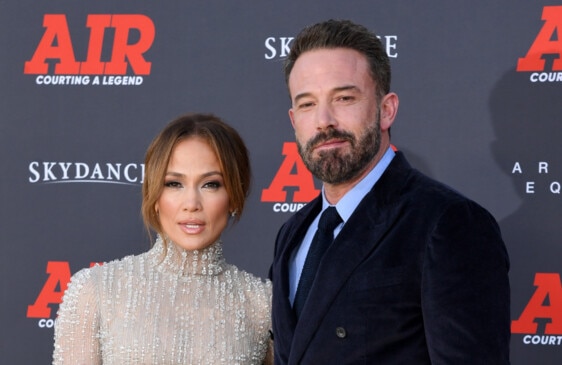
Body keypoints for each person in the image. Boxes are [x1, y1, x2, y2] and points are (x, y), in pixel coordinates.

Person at [269, 19, 510, 364]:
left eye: (344, 97)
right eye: (307, 104)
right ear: (294, 121)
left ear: (386, 110)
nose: (324, 120)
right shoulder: (292, 234)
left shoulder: (448, 224)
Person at [53, 113, 273, 364]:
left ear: (234, 196)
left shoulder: (262, 304)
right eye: (174, 184)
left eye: (211, 184)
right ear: (155, 195)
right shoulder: (95, 290)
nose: (191, 204)